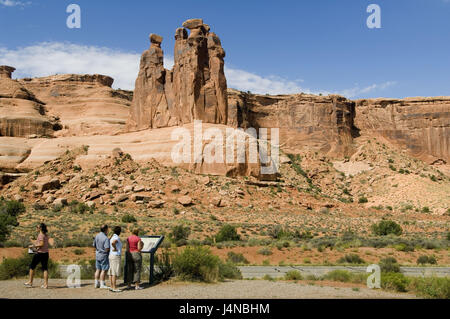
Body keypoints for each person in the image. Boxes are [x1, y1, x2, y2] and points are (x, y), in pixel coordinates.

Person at [24, 223, 50, 289]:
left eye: (37, 227)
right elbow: (43, 244)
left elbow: (41, 244)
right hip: (46, 253)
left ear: (40, 228)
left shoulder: (40, 235)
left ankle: (30, 282)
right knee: (45, 269)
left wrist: (32, 246)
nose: (36, 228)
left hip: (40, 253)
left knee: (32, 267)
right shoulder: (46, 235)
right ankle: (46, 285)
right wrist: (36, 245)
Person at [93, 224, 110, 289]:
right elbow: (107, 248)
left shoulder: (97, 236)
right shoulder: (105, 238)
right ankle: (102, 284)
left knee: (98, 269)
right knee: (103, 270)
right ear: (106, 229)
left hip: (97, 254)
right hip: (104, 255)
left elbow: (94, 245)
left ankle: (96, 283)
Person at [108, 226, 123, 293]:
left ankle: (111, 286)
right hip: (116, 255)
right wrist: (115, 248)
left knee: (111, 272)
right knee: (114, 272)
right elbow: (113, 242)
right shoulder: (116, 237)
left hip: (111, 255)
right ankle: (114, 287)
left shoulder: (112, 237)